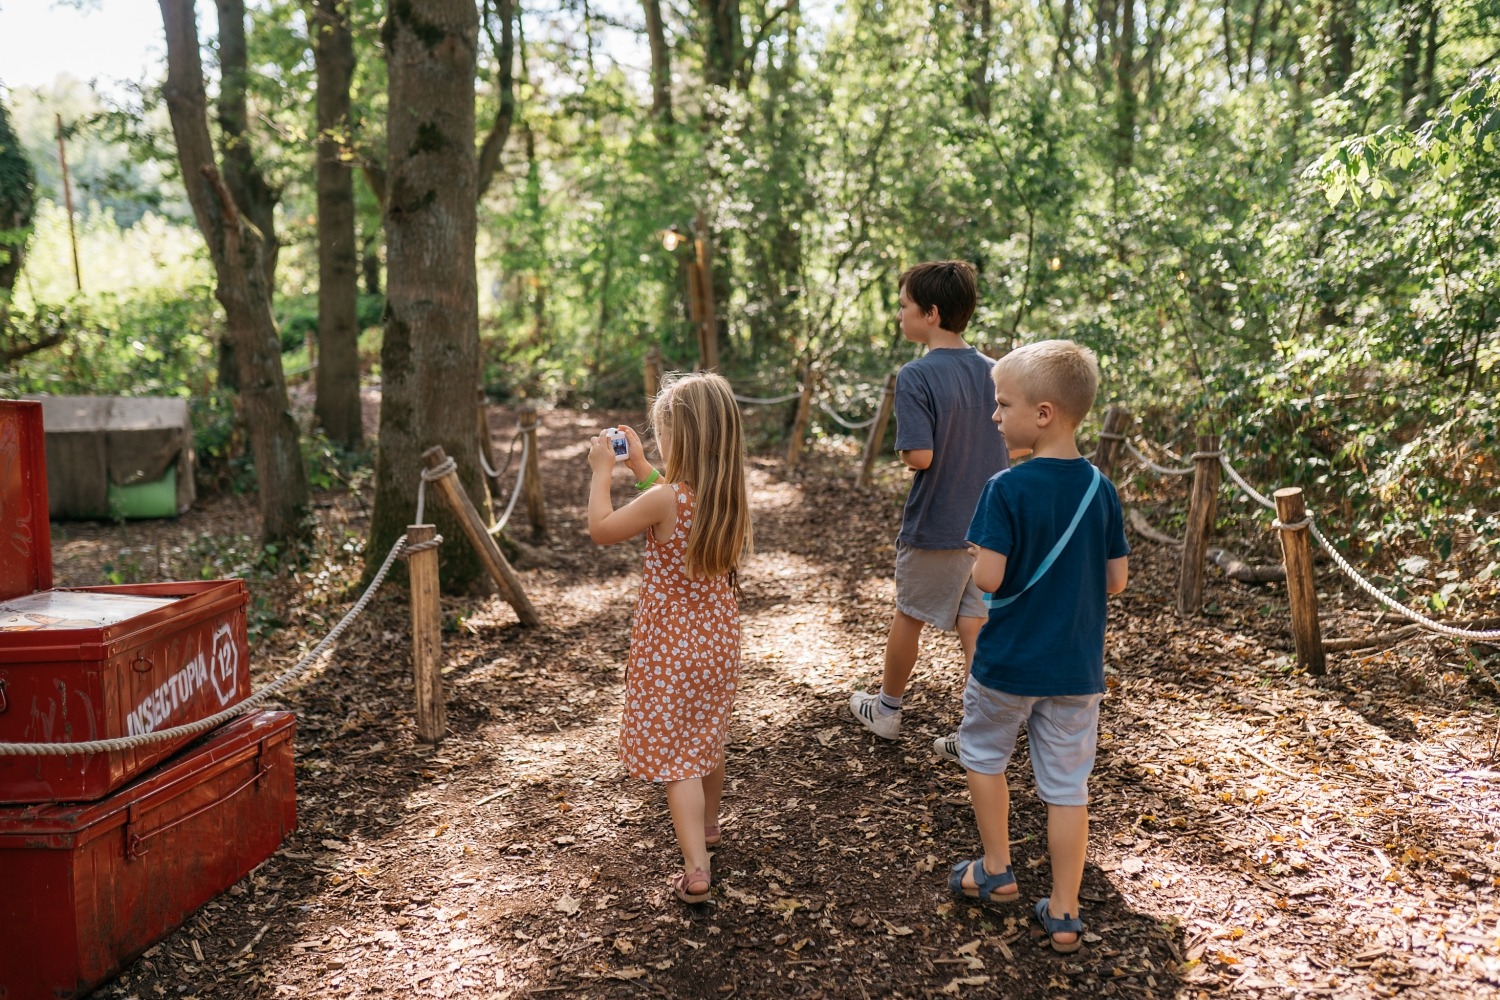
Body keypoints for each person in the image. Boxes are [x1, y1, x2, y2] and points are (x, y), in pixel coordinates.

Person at [946, 339, 1129, 953]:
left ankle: (997, 869)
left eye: (1003, 405)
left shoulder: (1005, 489)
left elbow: (990, 580)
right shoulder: (1100, 489)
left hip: (1007, 662)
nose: (995, 416)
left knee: (984, 754)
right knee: (1066, 787)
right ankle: (1066, 911)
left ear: (1044, 413)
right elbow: (1116, 580)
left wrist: (978, 557)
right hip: (1076, 669)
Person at [586, 371, 753, 904]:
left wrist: (601, 472)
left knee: (678, 759)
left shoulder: (667, 500)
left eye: (662, 433)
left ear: (682, 437)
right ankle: (707, 826)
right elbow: (667, 501)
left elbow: (602, 528)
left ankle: (697, 870)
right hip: (719, 643)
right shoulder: (725, 495)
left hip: (670, 649)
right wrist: (638, 466)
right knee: (707, 737)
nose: (657, 443)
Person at [848, 260, 1009, 761]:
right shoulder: (994, 370)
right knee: (974, 627)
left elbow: (920, 456)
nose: (900, 315)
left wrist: (905, 456)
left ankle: (888, 708)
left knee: (909, 614)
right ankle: (979, 733)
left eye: (904, 306)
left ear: (931, 314)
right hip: (988, 527)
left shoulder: (916, 375)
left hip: (936, 523)